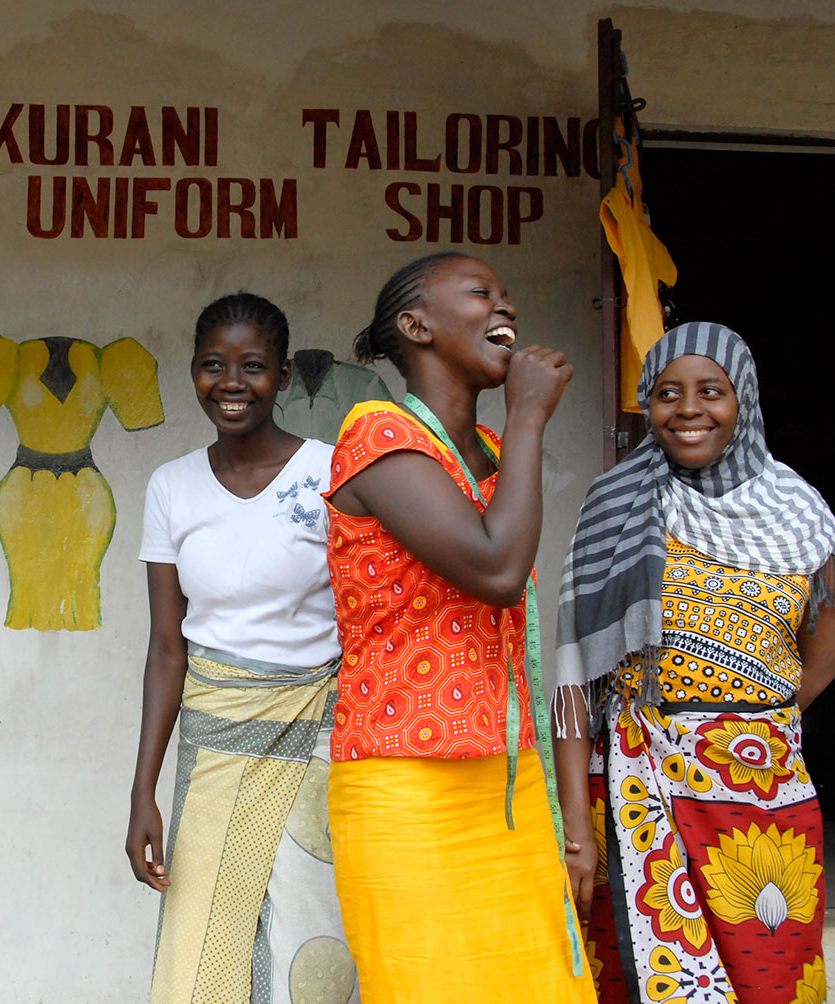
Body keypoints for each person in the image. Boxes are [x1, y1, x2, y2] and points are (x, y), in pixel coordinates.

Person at [323, 252, 596, 1003]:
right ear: (416, 327)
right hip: (406, 787)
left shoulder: (498, 458)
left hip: (507, 782)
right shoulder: (375, 436)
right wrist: (532, 417)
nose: (506, 309)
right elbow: (497, 571)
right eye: (482, 294)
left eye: (508, 296)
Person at [554, 321, 835, 1004]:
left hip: (765, 795)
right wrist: (574, 835)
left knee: (773, 983)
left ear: (743, 399)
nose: (688, 409)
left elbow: (823, 660)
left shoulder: (801, 513)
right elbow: (573, 682)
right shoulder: (615, 505)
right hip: (633, 792)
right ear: (646, 406)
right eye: (665, 393)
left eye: (711, 391)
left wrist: (736, 734)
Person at [126, 293, 359, 1004]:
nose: (232, 383)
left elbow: (368, 615)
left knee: (312, 948)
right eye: (213, 366)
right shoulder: (172, 486)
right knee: (200, 951)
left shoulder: (334, 472)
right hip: (215, 742)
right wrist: (143, 791)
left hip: (317, 733)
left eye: (253, 366)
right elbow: (168, 649)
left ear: (284, 376)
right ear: (193, 373)